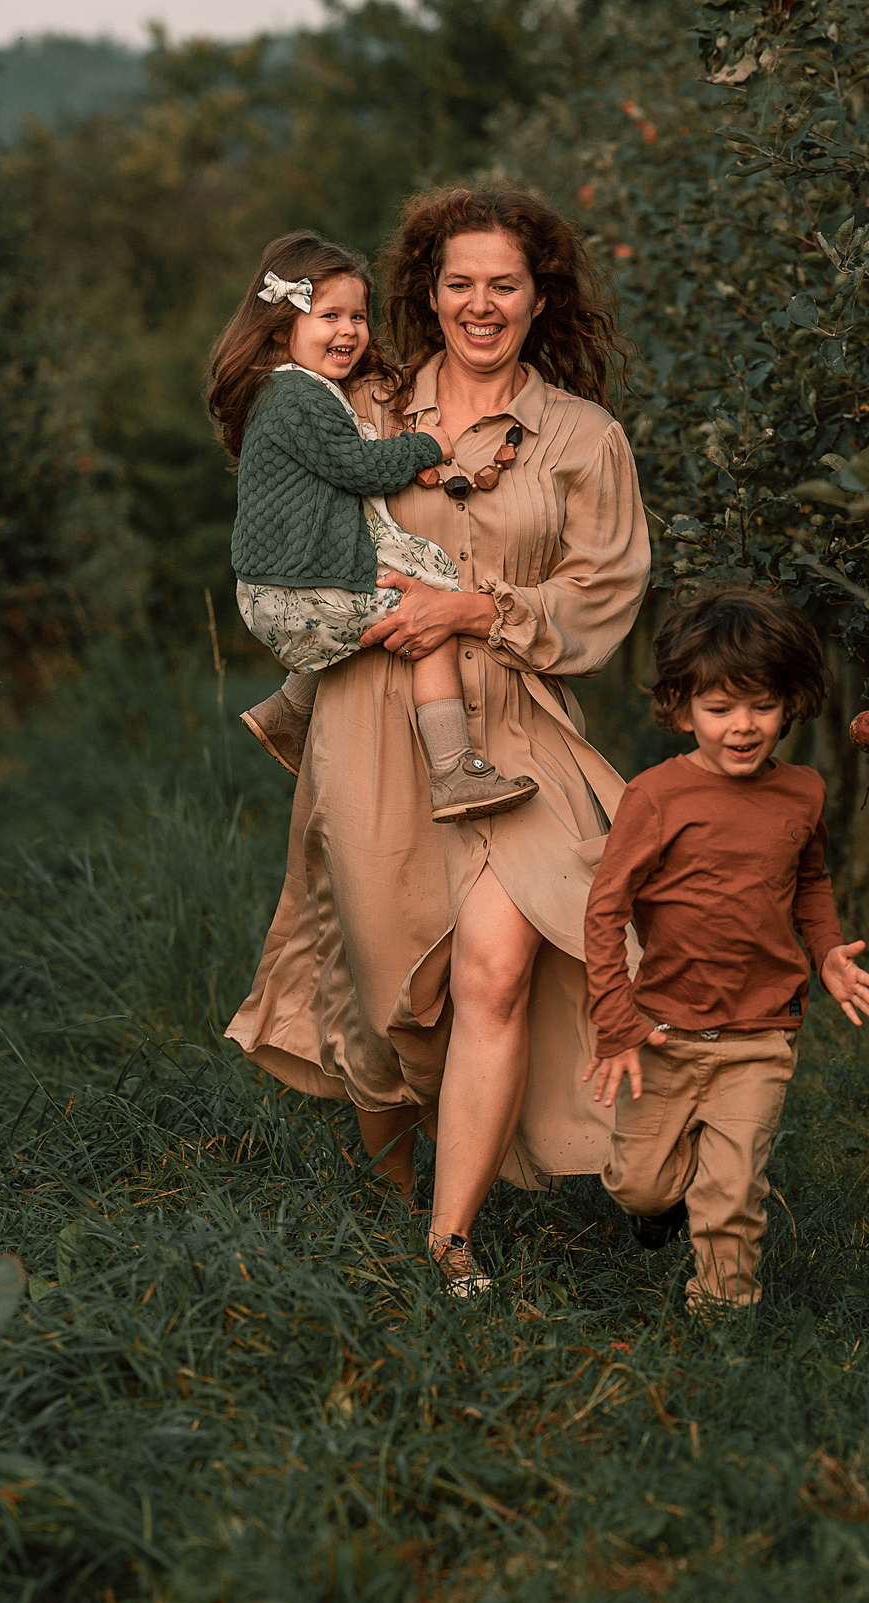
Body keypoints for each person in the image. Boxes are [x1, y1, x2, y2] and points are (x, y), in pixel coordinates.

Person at [228, 185, 649, 1297]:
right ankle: (385, 1200)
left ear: (538, 294)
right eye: (457, 282)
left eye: (502, 283)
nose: (479, 303)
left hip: (513, 729)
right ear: (427, 291)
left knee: (498, 969)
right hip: (371, 718)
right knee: (385, 1005)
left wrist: (479, 610)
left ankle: (447, 1244)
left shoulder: (582, 439)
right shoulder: (356, 401)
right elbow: (268, 465)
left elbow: (601, 600)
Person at [582, 588, 869, 1310]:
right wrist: (617, 1018)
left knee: (732, 1191)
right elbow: (605, 909)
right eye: (720, 710)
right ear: (683, 710)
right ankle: (662, 1206)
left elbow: (810, 879)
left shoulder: (803, 793)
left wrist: (830, 951)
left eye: (762, 706)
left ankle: (722, 1315)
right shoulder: (656, 798)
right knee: (639, 1181)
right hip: (663, 1031)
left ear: (793, 703)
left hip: (761, 1033)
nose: (743, 727)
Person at [216, 231, 536, 823]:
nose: (348, 330)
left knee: (412, 573)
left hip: (280, 586)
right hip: (291, 588)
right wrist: (427, 444)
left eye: (358, 316)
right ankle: (453, 770)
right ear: (284, 326)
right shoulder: (297, 397)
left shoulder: (301, 390)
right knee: (425, 610)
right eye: (329, 315)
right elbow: (359, 469)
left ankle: (288, 713)